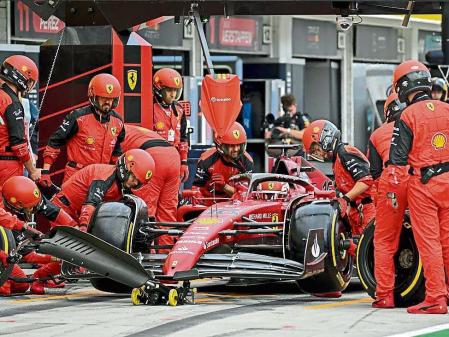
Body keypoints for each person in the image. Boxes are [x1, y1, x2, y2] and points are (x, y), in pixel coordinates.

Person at [388, 60, 449, 314]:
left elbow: (397, 161)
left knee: (430, 242)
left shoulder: (407, 116)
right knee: (447, 240)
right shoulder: (447, 108)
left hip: (423, 184)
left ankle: (436, 297)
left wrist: (393, 195)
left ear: (403, 87)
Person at [0, 176, 78, 295]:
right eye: (30, 207)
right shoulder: (7, 222)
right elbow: (30, 257)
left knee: (22, 285)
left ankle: (41, 278)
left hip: (4, 256)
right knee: (5, 289)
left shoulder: (31, 200)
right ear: (17, 206)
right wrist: (60, 257)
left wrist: (78, 233)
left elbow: (57, 213)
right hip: (2, 255)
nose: (35, 209)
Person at [42, 73, 125, 184]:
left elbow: (116, 152)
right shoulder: (77, 117)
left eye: (111, 99)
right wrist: (45, 172)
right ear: (93, 96)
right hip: (76, 175)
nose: (108, 102)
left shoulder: (118, 121)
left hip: (101, 177)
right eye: (104, 98)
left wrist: (120, 177)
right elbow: (55, 141)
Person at [367, 92, 407, 309]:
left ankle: (385, 296)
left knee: (383, 241)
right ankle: (440, 293)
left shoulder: (377, 134)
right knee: (431, 238)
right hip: (424, 181)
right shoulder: (418, 122)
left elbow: (374, 173)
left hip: (391, 183)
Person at [303, 120, 376, 237]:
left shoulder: (345, 152)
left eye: (316, 149)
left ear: (324, 138)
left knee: (368, 250)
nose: (318, 154)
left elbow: (366, 179)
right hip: (356, 212)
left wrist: (346, 199)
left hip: (368, 210)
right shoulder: (336, 161)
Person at [51, 149, 155, 230]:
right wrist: (83, 228)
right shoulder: (104, 177)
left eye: (138, 182)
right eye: (134, 177)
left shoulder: (122, 185)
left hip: (77, 214)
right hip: (64, 209)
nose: (135, 183)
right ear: (126, 168)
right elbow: (91, 204)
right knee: (72, 250)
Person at [121, 125, 180, 250]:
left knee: (146, 213)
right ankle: (166, 254)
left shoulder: (113, 131)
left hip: (153, 156)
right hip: (173, 155)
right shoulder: (133, 130)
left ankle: (149, 257)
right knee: (167, 213)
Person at [0, 55, 41, 191]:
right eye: (29, 81)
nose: (29, 86)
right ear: (21, 77)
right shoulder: (11, 102)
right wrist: (33, 170)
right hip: (6, 165)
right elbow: (18, 144)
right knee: (7, 207)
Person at [193, 122, 254, 201]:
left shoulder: (247, 161)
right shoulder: (206, 159)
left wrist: (224, 186)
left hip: (234, 204)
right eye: (231, 145)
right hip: (208, 203)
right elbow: (197, 189)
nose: (236, 149)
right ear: (221, 146)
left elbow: (244, 195)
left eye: (238, 145)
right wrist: (197, 196)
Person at [152, 68, 189, 183]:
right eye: (169, 90)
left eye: (176, 91)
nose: (173, 95)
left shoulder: (179, 109)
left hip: (175, 162)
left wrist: (183, 162)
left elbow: (184, 138)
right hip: (154, 162)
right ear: (159, 89)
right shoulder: (149, 107)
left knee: (172, 199)